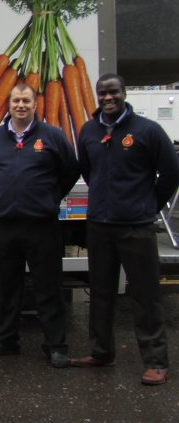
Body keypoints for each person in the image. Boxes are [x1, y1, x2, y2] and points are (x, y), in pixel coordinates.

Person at [69, 74, 179, 386]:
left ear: (123, 93)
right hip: (100, 225)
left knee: (145, 295)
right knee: (101, 293)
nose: (107, 98)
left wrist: (148, 205)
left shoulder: (147, 130)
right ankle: (102, 351)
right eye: (102, 93)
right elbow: (89, 171)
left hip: (136, 227)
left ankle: (156, 361)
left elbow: (171, 172)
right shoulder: (89, 131)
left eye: (113, 92)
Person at [0, 83, 79, 368]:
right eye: (16, 101)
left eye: (26, 101)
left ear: (35, 105)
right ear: (8, 105)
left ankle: (56, 345)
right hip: (5, 225)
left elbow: (70, 171)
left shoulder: (53, 136)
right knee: (8, 286)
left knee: (48, 287)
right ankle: (7, 340)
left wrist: (48, 196)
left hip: (42, 225)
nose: (20, 105)